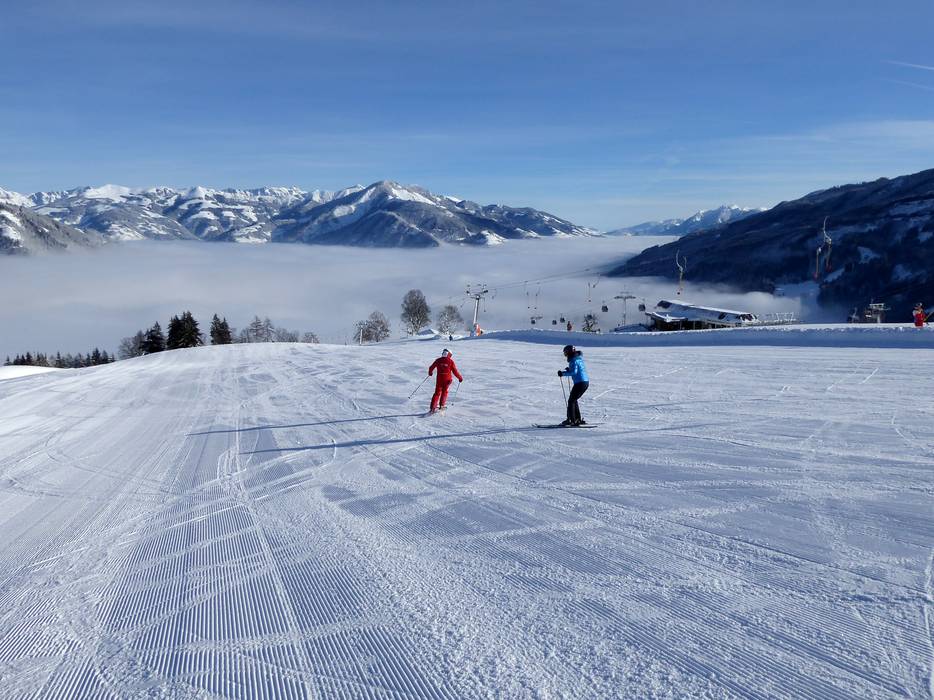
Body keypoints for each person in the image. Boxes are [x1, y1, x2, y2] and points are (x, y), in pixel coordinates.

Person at [558, 344, 589, 426]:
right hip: (584, 382)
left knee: (571, 401)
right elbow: (577, 370)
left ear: (569, 352)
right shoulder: (578, 359)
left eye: (565, 352)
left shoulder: (573, 360)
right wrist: (569, 370)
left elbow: (574, 372)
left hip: (580, 383)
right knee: (573, 400)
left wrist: (563, 373)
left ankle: (572, 420)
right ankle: (577, 419)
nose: (565, 354)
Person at [428, 348, 463, 412]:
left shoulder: (438, 360)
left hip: (439, 379)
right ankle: (441, 406)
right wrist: (460, 378)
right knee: (444, 392)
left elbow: (431, 367)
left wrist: (430, 373)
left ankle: (433, 407)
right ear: (449, 354)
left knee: (437, 393)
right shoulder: (451, 361)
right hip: (447, 380)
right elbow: (455, 371)